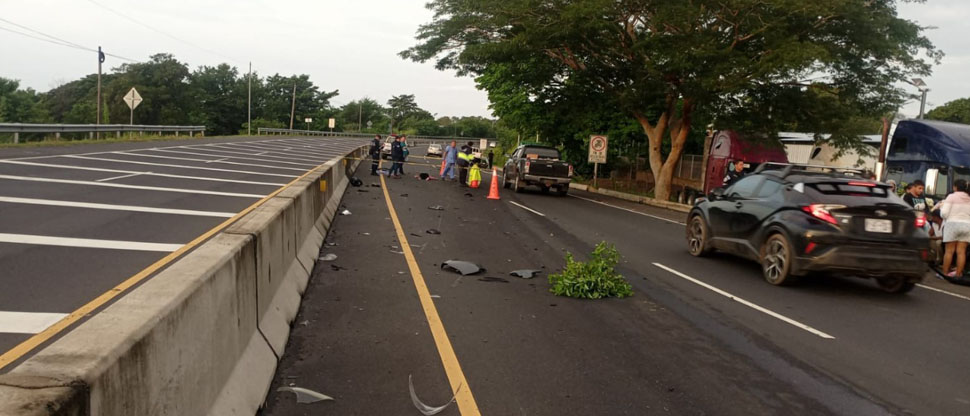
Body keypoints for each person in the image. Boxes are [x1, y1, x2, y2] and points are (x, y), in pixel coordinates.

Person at [941, 179, 970, 277]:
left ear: (955, 187)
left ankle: (945, 273)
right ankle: (958, 274)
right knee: (961, 252)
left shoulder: (951, 196)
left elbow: (944, 213)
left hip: (953, 224)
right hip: (967, 225)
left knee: (949, 251)